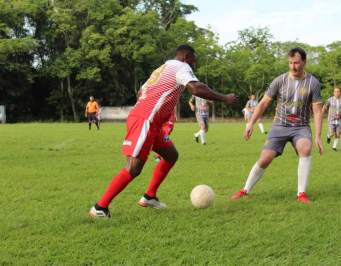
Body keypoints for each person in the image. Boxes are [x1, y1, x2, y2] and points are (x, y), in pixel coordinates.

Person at [89, 45, 237, 217]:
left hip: (152, 122)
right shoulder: (181, 67)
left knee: (171, 155)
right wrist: (225, 98)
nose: (194, 64)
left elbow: (140, 92)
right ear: (186, 56)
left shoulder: (163, 68)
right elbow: (196, 88)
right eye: (194, 60)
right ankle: (100, 207)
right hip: (145, 121)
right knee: (133, 168)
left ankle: (149, 196)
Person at [231, 47, 323, 204]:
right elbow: (263, 103)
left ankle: (301, 193)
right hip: (279, 125)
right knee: (265, 158)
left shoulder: (313, 83)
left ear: (304, 62)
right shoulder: (280, 80)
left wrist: (319, 136)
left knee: (305, 148)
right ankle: (245, 189)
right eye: (290, 63)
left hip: (300, 127)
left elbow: (317, 110)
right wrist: (250, 123)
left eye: (296, 63)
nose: (293, 66)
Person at [322, 87, 341, 151]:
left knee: (338, 133)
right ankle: (328, 136)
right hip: (331, 119)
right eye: (335, 91)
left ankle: (334, 147)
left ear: (340, 92)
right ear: (333, 92)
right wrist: (323, 110)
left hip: (340, 120)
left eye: (338, 91)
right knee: (332, 133)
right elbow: (325, 106)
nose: (337, 93)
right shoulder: (330, 100)